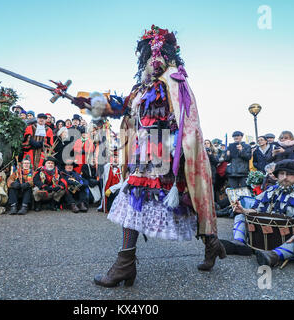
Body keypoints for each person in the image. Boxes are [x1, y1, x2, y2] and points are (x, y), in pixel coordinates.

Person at [70, 26, 226, 286]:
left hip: (168, 153)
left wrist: (176, 152)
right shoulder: (139, 88)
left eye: (160, 53)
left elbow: (185, 119)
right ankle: (126, 265)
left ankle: (210, 244)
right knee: (136, 200)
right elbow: (118, 106)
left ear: (168, 55)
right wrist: (84, 100)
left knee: (184, 202)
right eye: (150, 55)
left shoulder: (175, 80)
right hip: (144, 153)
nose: (155, 60)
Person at [220, 159, 294, 267]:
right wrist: (244, 210)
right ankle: (239, 243)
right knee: (241, 216)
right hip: (272, 230)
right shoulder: (272, 190)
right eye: (282, 174)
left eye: (290, 174)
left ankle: (275, 255)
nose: (285, 177)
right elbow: (258, 211)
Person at [98, 148, 123, 214]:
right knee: (108, 208)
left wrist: (112, 189)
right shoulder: (107, 167)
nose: (115, 159)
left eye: (117, 157)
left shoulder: (122, 168)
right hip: (108, 192)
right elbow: (104, 183)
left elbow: (122, 183)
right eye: (113, 157)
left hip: (117, 190)